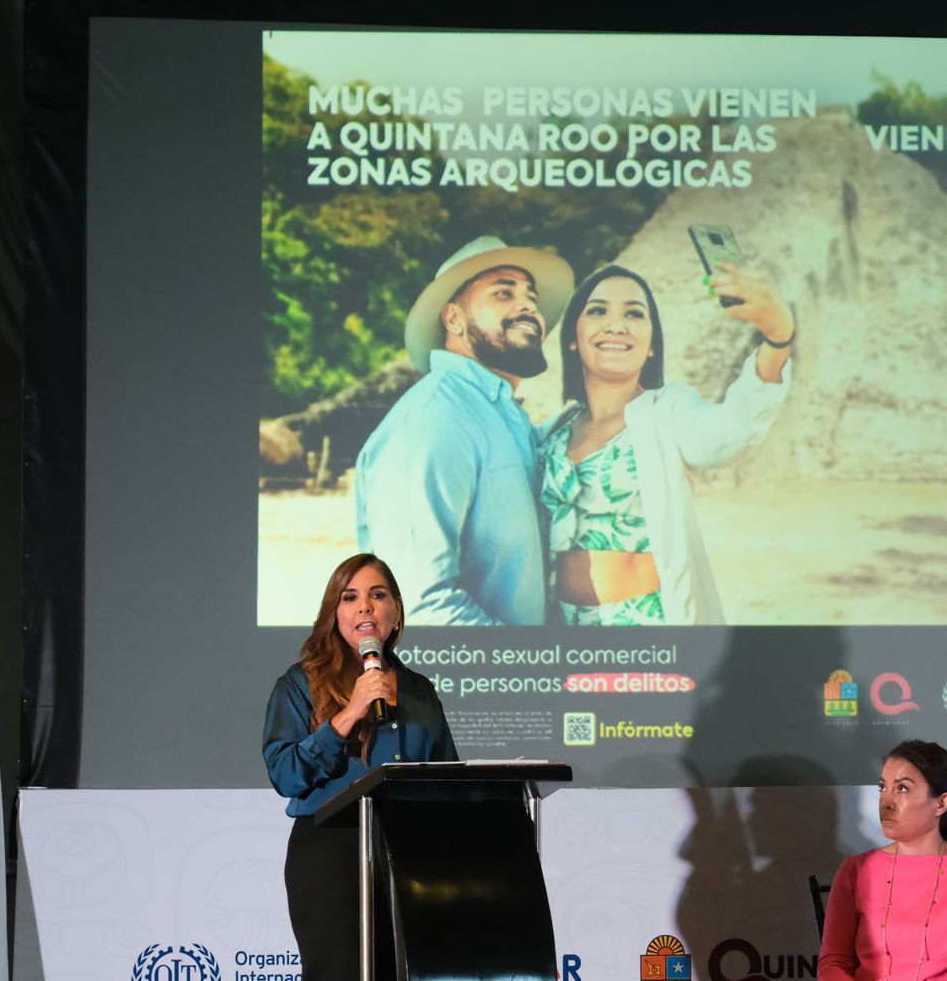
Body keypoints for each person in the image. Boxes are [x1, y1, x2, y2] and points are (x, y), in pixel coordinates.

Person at [538, 261, 793, 624]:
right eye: (597, 311)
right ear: (572, 339)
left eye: (634, 313)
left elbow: (730, 432)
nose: (616, 325)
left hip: (642, 630)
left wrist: (778, 339)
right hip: (557, 631)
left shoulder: (668, 411)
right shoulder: (550, 434)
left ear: (652, 346)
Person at [355, 235, 573, 624]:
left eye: (531, 298)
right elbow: (422, 606)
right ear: (453, 318)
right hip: (475, 682)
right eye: (503, 293)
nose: (526, 305)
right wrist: (530, 674)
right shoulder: (431, 420)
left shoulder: (505, 418)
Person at [263, 553, 458, 979]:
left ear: (396, 611)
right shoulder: (300, 684)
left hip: (413, 852)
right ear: (335, 613)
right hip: (333, 846)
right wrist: (349, 713)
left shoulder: (420, 691)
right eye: (350, 597)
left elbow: (449, 779)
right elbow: (285, 774)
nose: (365, 606)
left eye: (377, 595)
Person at [817, 740, 947, 981]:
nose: (886, 802)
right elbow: (833, 962)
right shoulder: (856, 869)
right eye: (882, 788)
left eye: (902, 789)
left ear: (941, 803)